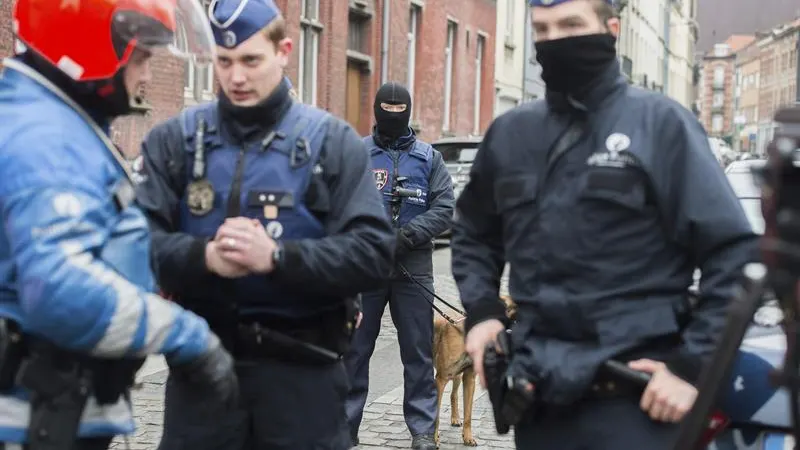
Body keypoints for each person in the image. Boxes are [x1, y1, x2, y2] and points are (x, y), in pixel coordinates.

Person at [451, 0, 759, 449]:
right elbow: (474, 231)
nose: (557, 40)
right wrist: (481, 314)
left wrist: (694, 366)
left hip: (637, 402)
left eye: (573, 24)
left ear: (611, 29)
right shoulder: (511, 133)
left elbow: (734, 254)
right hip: (539, 402)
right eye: (543, 28)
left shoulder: (662, 125)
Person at [133, 0, 394, 448]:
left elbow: (372, 253)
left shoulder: (332, 143)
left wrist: (277, 258)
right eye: (225, 61)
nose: (236, 77)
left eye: (251, 60)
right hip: (202, 374)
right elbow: (135, 245)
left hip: (303, 376)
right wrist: (206, 257)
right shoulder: (174, 141)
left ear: (284, 51)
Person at [0, 0, 238, 449]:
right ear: (92, 48)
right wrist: (188, 337)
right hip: (32, 419)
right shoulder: (47, 140)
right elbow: (59, 289)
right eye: (143, 57)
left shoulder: (54, 120)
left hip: (58, 409)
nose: (146, 75)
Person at [345, 82, 455, 450]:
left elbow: (444, 209)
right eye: (386, 106)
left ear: (408, 110)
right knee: (355, 349)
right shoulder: (358, 154)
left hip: (414, 268)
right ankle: (345, 426)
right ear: (376, 109)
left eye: (399, 106)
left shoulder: (429, 159)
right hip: (366, 267)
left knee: (418, 351)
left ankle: (423, 431)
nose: (393, 112)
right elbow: (340, 202)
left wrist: (406, 237)